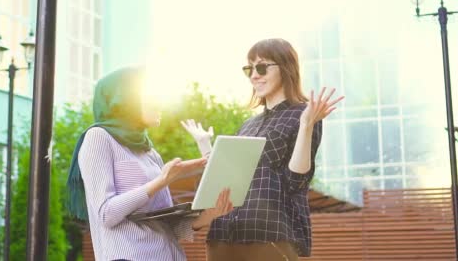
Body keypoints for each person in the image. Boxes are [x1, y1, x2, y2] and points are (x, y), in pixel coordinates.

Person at [183, 38, 344, 261]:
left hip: (269, 236)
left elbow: (296, 182)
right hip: (222, 235)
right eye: (249, 69)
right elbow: (225, 175)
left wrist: (307, 125)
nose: (254, 75)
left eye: (261, 67)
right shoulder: (247, 125)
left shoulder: (304, 115)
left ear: (285, 67)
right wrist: (204, 145)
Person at [66, 67, 233, 261]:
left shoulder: (149, 151)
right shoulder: (98, 138)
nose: (160, 104)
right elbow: (105, 215)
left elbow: (170, 226)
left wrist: (211, 213)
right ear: (126, 100)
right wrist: (160, 182)